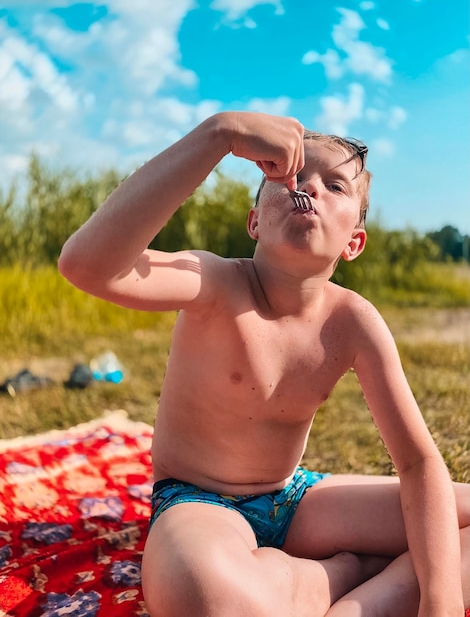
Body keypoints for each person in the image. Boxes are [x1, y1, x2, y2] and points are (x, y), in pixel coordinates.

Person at [58, 111, 470, 617]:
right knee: (204, 593)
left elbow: (417, 462)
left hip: (294, 500)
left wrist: (442, 600)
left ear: (353, 243)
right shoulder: (213, 282)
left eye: (335, 185)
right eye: (291, 176)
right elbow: (86, 265)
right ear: (255, 220)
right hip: (199, 503)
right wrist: (220, 134)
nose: (308, 189)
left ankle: (365, 602)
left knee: (452, 528)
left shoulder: (353, 320)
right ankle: (343, 573)